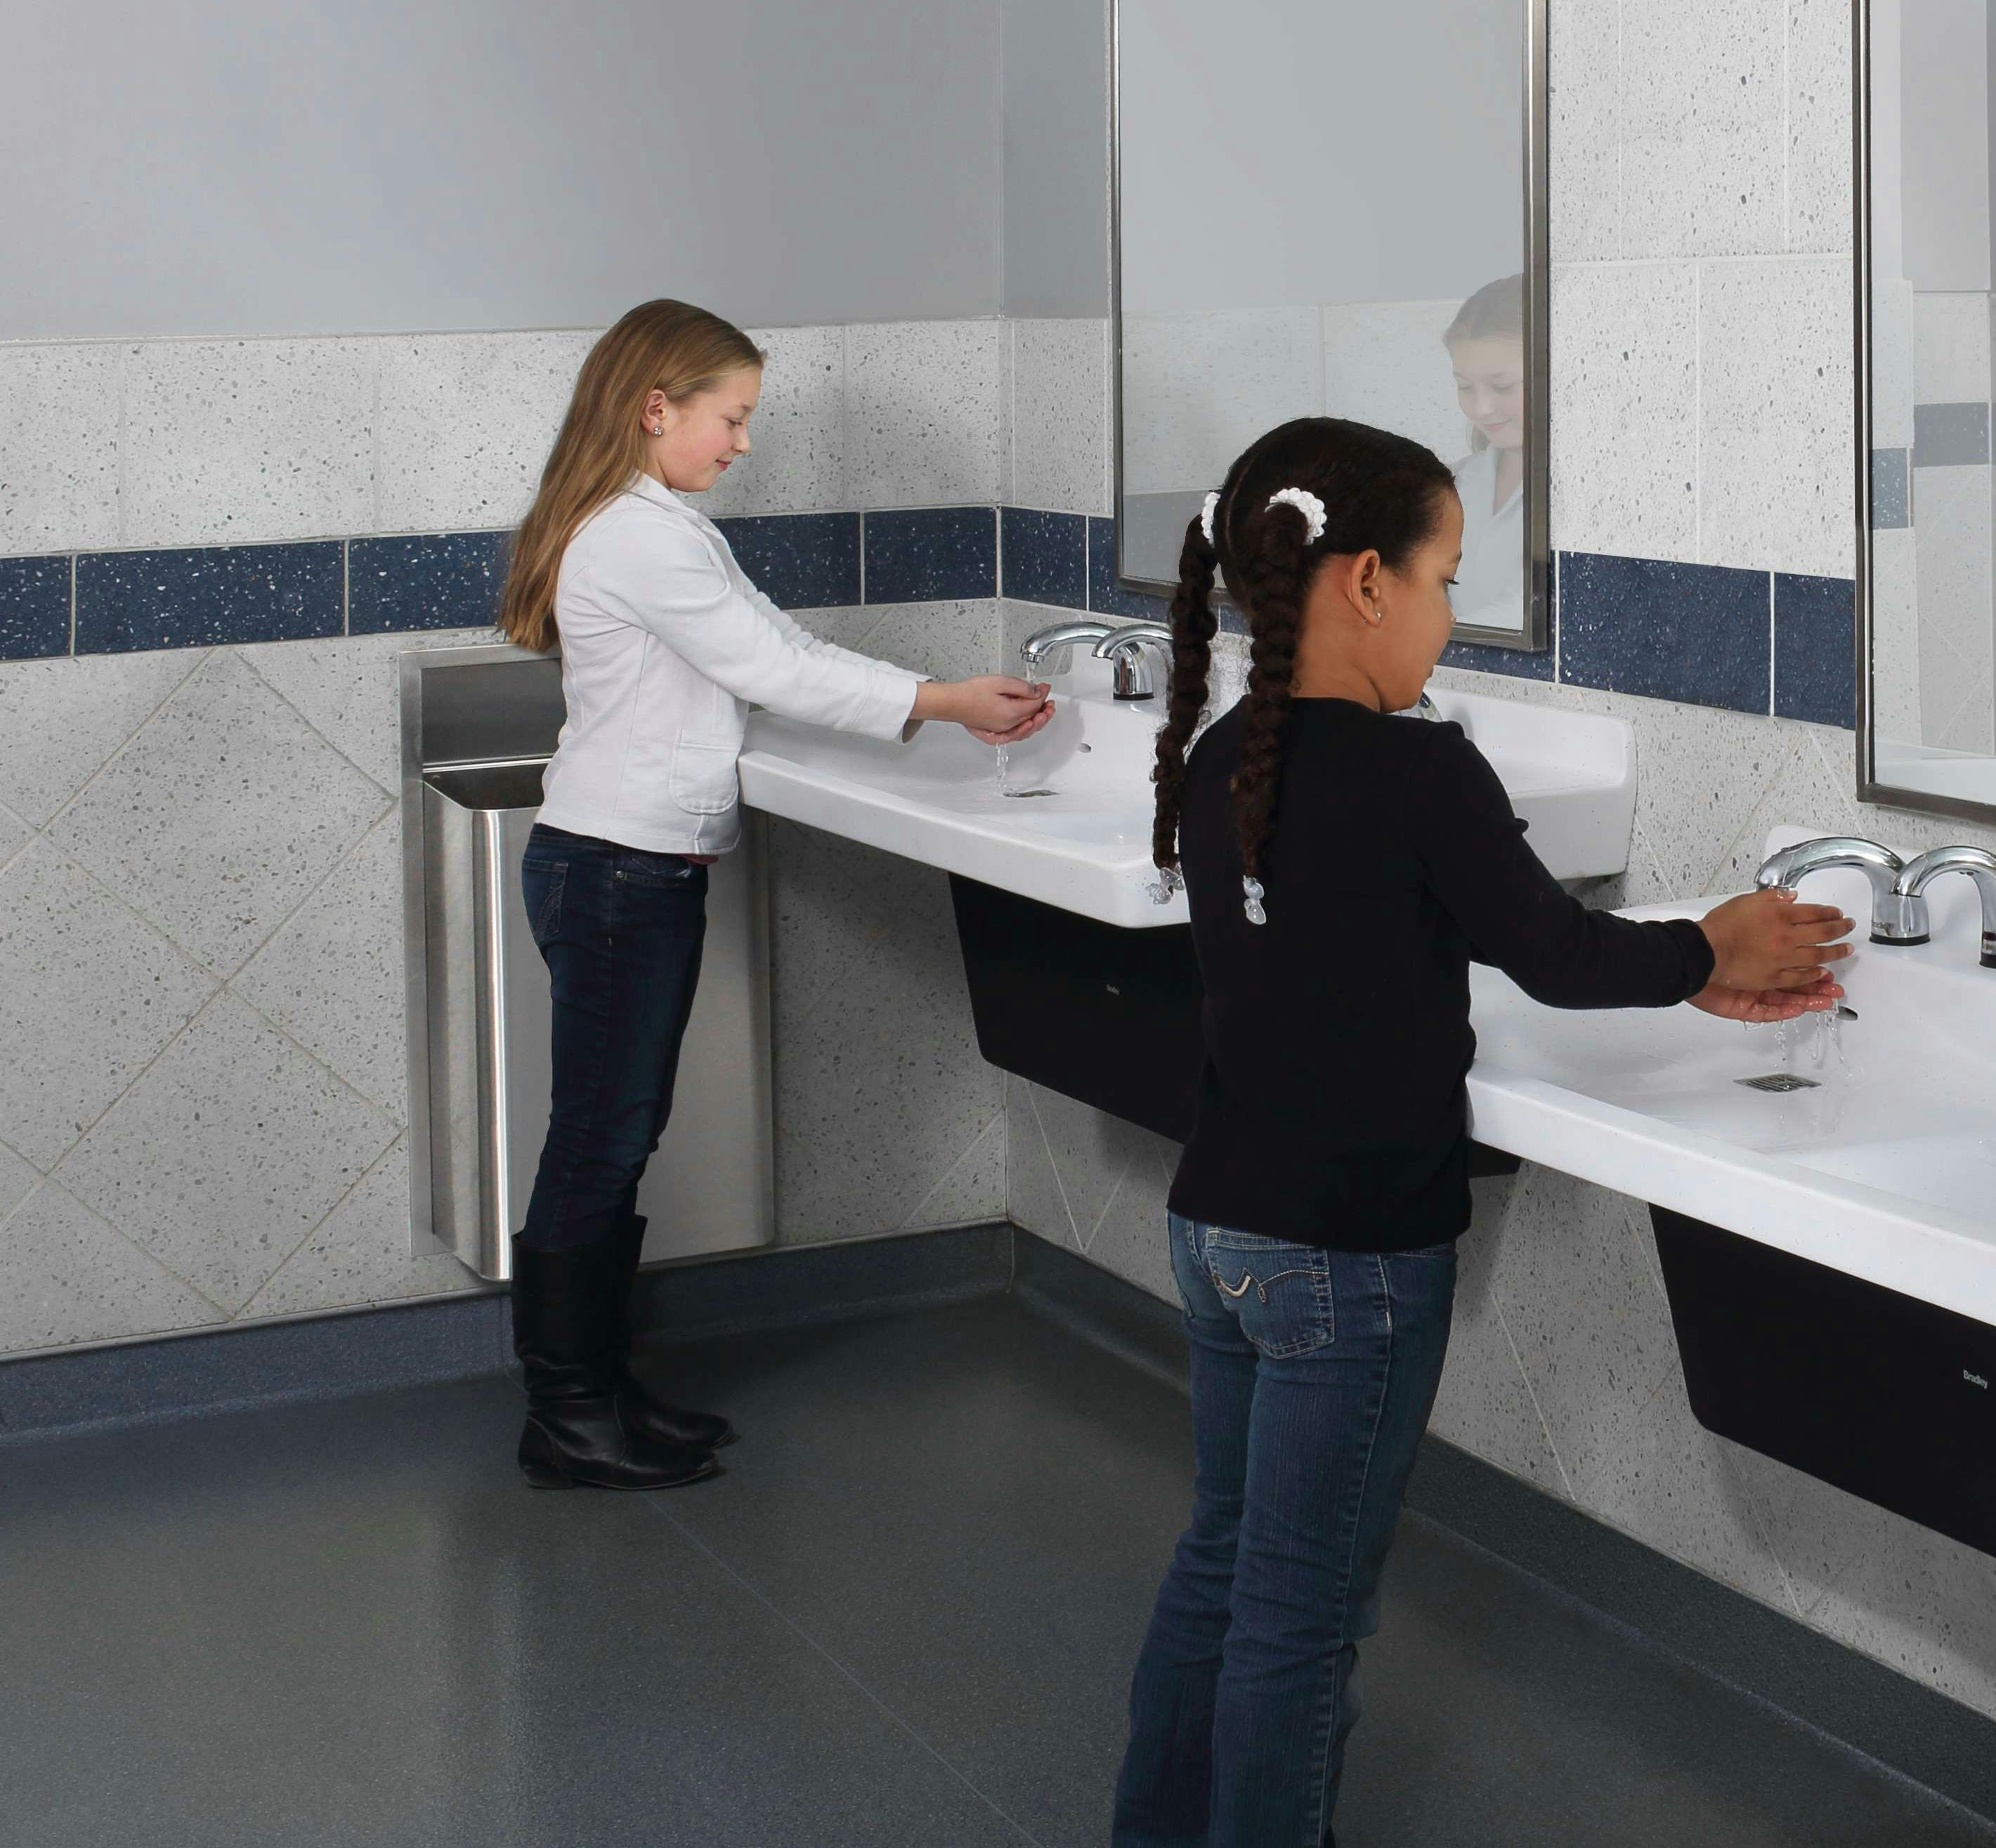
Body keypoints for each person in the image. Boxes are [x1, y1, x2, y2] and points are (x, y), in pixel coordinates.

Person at [1111, 417, 1850, 1847]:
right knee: (1301, 1612)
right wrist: (1711, 945)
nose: (1451, 621)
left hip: (1217, 1227)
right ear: (1367, 581)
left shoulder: (1222, 762)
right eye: (1446, 580)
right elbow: (1558, 954)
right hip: (1347, 1257)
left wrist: (1693, 960)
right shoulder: (1417, 771)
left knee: (1223, 1563)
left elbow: (1377, 949)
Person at [495, 299, 1055, 1492]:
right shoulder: (638, 536)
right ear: (657, 408)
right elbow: (770, 668)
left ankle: (601, 1390)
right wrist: (944, 701)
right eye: (731, 418)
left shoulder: (654, 525)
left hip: (625, 865)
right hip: (613, 871)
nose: (742, 444)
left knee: (617, 1127)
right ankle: (567, 1413)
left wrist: (929, 695)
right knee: (601, 1137)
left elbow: (770, 641)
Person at [1439, 276, 1527, 632]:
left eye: (1502, 386)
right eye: (1465, 387)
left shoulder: (1590, 492)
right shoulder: (1450, 484)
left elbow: (1530, 611)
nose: (1482, 408)